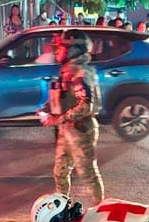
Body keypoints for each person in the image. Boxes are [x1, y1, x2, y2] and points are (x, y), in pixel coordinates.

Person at [38, 30, 105, 205]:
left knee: (87, 173)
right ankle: (62, 209)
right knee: (60, 171)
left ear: (74, 50)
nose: (57, 51)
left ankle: (101, 210)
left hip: (81, 130)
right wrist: (47, 108)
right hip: (67, 128)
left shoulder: (80, 72)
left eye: (61, 47)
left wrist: (58, 119)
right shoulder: (68, 70)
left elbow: (86, 105)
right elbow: (62, 97)